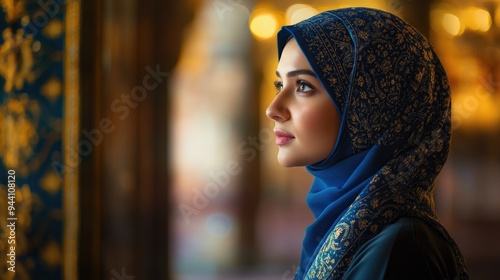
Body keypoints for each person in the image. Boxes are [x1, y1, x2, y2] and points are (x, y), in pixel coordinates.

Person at [266, 7, 468, 279]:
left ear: (369, 108)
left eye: (303, 86)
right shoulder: (347, 218)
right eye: (280, 85)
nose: (273, 108)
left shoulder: (400, 248)